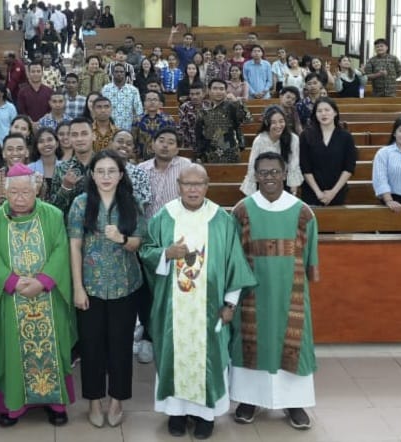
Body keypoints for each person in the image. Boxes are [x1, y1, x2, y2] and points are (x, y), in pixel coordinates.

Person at [139, 164, 257, 440]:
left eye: (198, 184)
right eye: (187, 184)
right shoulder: (164, 217)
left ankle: (206, 416)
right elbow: (146, 250)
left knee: (210, 358)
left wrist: (230, 304)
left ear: (207, 186)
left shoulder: (221, 219)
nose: (192, 189)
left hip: (210, 307)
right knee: (173, 355)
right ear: (178, 185)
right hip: (173, 309)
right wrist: (166, 253)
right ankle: (176, 413)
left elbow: (234, 264)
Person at [0, 163, 76, 428]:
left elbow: (60, 250)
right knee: (11, 348)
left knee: (52, 348)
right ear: (6, 193)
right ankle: (13, 405)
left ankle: (55, 404)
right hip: (11, 298)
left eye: (26, 192)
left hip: (48, 296)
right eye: (15, 193)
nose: (20, 198)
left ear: (36, 190)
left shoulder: (53, 215)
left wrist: (44, 281)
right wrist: (11, 282)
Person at [230, 151, 319, 431]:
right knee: (251, 344)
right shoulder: (242, 210)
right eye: (263, 172)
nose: (269, 177)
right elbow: (232, 254)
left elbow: (310, 255)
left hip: (289, 292)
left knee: (292, 344)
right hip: (251, 293)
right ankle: (248, 400)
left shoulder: (303, 211)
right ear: (255, 176)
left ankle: (294, 403)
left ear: (284, 174)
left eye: (274, 172)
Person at [69, 149, 144, 428]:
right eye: (100, 171)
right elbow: (74, 245)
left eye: (112, 171)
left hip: (125, 286)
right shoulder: (80, 204)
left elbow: (138, 243)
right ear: (92, 174)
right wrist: (78, 287)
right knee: (91, 346)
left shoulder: (131, 202)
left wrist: (121, 238)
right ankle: (94, 400)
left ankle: (117, 400)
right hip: (90, 286)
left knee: (121, 346)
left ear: (121, 175)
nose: (106, 176)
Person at [299, 97, 357, 206]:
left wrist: (333, 192)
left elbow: (349, 167)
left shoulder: (346, 137)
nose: (323, 114)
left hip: (337, 191)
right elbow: (305, 167)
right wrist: (318, 193)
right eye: (319, 111)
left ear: (335, 112)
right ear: (315, 114)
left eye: (327, 110)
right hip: (311, 192)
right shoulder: (306, 135)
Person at [241, 106, 303, 196]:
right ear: (267, 123)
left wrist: (293, 188)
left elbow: (294, 164)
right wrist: (252, 190)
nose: (278, 126)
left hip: (283, 182)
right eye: (274, 122)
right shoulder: (260, 140)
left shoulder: (293, 139)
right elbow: (252, 165)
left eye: (281, 121)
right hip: (263, 182)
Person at [0, 132, 47, 216]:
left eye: (19, 149)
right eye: (10, 149)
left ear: (27, 152)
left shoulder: (39, 179)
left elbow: (44, 211)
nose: (15, 153)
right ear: (3, 153)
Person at [195, 78, 252, 163]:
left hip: (231, 153)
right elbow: (199, 137)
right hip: (209, 155)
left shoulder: (232, 107)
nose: (218, 91)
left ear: (226, 91)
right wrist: (199, 155)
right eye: (215, 88)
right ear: (209, 91)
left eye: (221, 89)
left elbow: (248, 119)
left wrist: (236, 102)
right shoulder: (203, 112)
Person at [372, 116, 401, 211]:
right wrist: (389, 201)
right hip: (392, 202)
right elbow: (380, 179)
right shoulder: (383, 153)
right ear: (394, 133)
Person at [132, 90, 175, 161]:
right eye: (149, 100)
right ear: (144, 103)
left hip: (164, 158)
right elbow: (134, 141)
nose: (152, 102)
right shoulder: (137, 120)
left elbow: (173, 140)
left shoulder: (168, 119)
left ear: (160, 103)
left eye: (155, 100)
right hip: (142, 159)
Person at [177, 82, 205, 151]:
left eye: (198, 94)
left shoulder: (209, 107)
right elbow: (181, 129)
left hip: (205, 144)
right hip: (188, 144)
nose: (195, 97)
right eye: (192, 94)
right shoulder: (185, 107)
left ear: (203, 94)